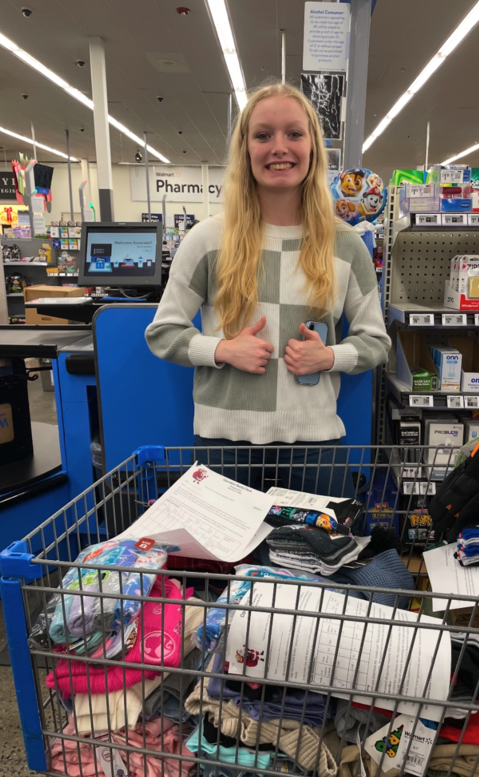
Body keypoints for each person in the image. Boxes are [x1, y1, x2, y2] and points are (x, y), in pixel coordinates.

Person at [145, 81, 390, 495]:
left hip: (315, 441)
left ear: (313, 147)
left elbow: (376, 342)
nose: (279, 147)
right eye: (263, 135)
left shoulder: (345, 243)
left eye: (294, 133)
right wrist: (223, 350)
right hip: (223, 440)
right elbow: (162, 332)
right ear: (245, 148)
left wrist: (329, 356)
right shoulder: (207, 239)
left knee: (327, 541)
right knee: (223, 543)